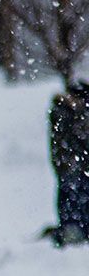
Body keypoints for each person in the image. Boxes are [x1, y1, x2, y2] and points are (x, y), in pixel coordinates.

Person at [49, 77, 89, 245]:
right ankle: (72, 230)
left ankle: (75, 229)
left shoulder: (67, 111)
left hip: (75, 167)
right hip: (72, 168)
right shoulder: (65, 111)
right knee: (72, 196)